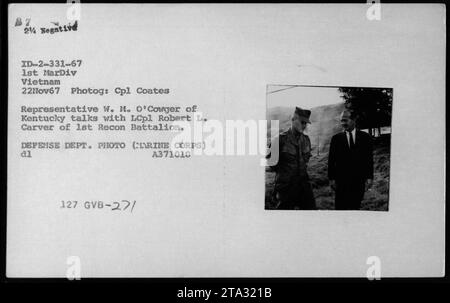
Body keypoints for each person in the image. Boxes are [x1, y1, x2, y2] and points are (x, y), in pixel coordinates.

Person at [268, 107, 316, 210]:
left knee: (311, 213)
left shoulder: (306, 140)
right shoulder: (279, 140)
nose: (303, 125)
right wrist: (284, 173)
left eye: (305, 123)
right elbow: (271, 162)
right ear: (293, 119)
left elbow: (306, 160)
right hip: (286, 187)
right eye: (301, 122)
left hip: (304, 186)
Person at [328, 110, 374, 210]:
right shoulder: (336, 139)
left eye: (345, 120)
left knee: (355, 206)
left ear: (353, 120)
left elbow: (369, 159)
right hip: (341, 182)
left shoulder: (365, 137)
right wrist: (331, 179)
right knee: (340, 207)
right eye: (341, 121)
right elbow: (331, 160)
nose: (343, 123)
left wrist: (369, 177)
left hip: (359, 181)